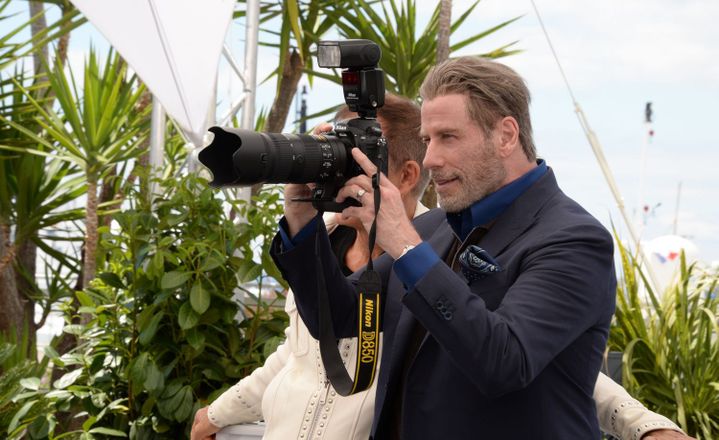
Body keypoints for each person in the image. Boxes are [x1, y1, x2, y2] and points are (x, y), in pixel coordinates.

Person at [192, 89, 693, 439]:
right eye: (428, 140)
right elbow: (339, 322)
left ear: (506, 134)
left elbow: (509, 360)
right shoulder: (435, 230)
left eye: (447, 138)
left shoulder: (572, 237)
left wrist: (640, 422)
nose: (430, 160)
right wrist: (301, 217)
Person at [191, 94, 431, 440]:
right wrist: (217, 414)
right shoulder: (318, 240)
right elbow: (297, 355)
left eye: (357, 161)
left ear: (407, 176)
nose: (339, 176)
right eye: (335, 155)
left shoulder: (433, 263)